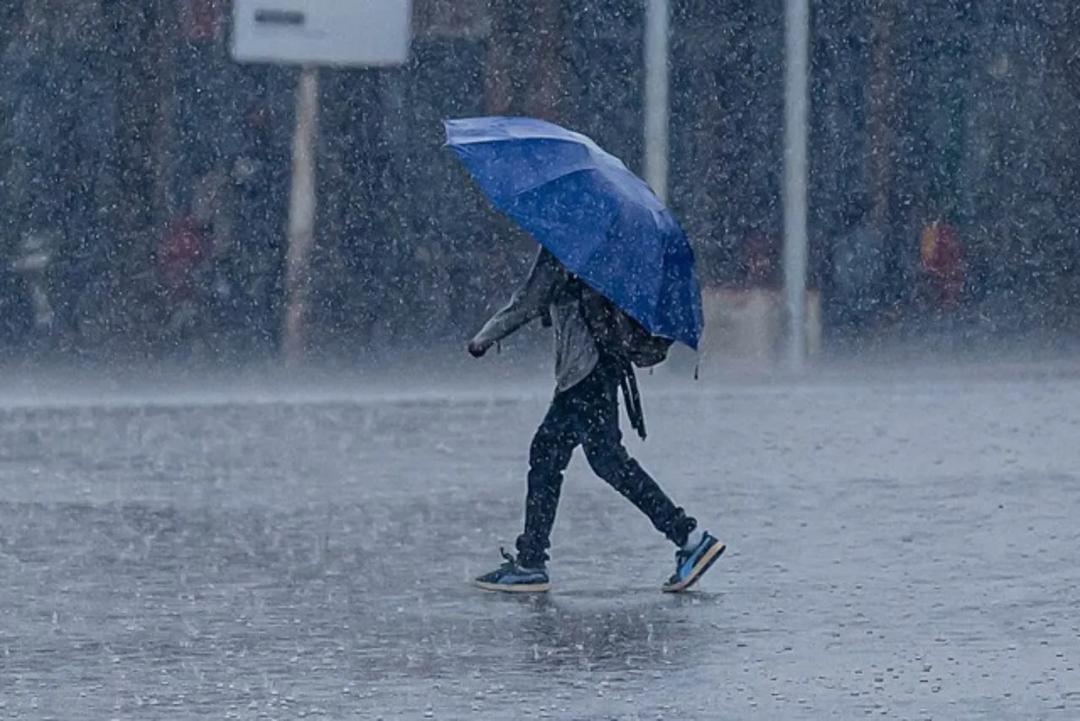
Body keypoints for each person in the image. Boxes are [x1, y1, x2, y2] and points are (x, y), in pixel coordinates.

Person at [467, 246, 724, 593]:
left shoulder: (565, 244)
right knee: (595, 460)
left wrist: (485, 337)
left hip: (583, 372)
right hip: (602, 367)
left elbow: (529, 300)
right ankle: (688, 537)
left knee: (559, 455)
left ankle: (532, 562)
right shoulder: (605, 248)